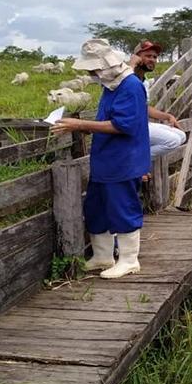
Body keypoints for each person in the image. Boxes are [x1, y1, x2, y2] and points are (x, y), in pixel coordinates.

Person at [51, 39, 149, 279]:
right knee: (97, 207)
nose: (92, 74)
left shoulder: (131, 86)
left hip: (123, 160)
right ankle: (103, 255)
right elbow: (107, 120)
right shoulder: (111, 86)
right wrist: (84, 127)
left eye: (94, 69)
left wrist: (80, 124)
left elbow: (123, 125)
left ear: (106, 65)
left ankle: (128, 259)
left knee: (122, 206)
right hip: (106, 159)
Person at [129, 39, 187, 158]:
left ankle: (140, 154)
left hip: (142, 123)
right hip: (129, 126)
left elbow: (144, 107)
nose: (152, 60)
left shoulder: (144, 81)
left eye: (155, 57)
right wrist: (132, 64)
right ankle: (135, 161)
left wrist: (167, 116)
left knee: (181, 136)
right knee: (172, 141)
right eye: (148, 56)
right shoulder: (128, 78)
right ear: (136, 57)